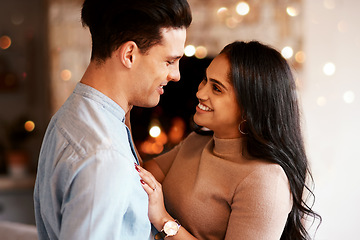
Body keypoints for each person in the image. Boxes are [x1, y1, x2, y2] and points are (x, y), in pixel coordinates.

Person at [33, 0, 192, 239]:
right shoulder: (103, 158)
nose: (176, 75)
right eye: (169, 61)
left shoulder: (71, 115)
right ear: (129, 54)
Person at [137, 41, 321, 240]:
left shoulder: (266, 180)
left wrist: (164, 221)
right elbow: (139, 176)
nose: (200, 93)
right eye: (205, 80)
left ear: (249, 109)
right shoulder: (197, 142)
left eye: (217, 88)